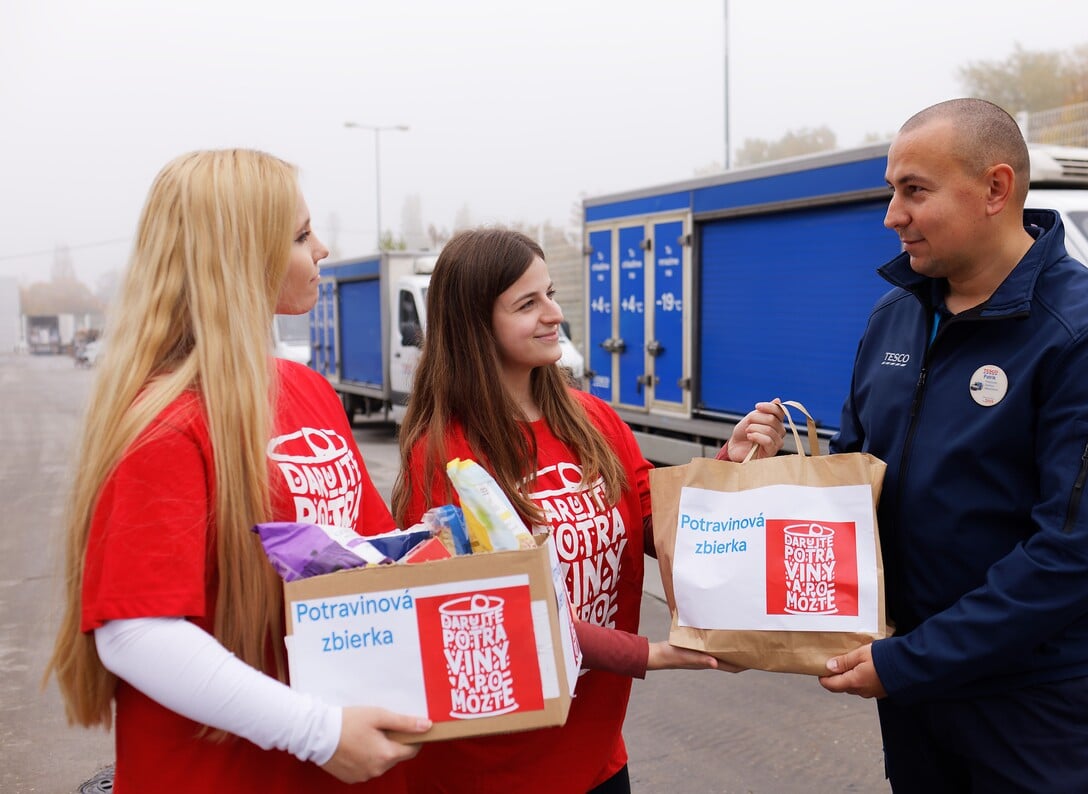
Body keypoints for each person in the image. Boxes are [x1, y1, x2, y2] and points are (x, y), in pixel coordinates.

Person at [44, 149, 431, 793]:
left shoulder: (309, 389)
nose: (323, 249)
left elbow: (373, 559)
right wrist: (318, 732)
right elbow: (135, 632)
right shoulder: (168, 421)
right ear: (242, 255)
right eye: (303, 235)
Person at [818, 98, 1088, 793]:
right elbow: (849, 479)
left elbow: (1079, 550)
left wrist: (914, 659)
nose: (893, 215)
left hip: (1042, 697)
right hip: (917, 685)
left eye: (914, 191)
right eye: (893, 191)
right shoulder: (895, 317)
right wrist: (769, 473)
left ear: (995, 189)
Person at [391, 227, 787, 793]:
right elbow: (499, 618)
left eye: (550, 293)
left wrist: (732, 460)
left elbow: (655, 522)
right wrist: (650, 654)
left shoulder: (591, 419)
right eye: (528, 303)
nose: (554, 314)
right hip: (492, 768)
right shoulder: (444, 454)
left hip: (598, 751)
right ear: (476, 324)